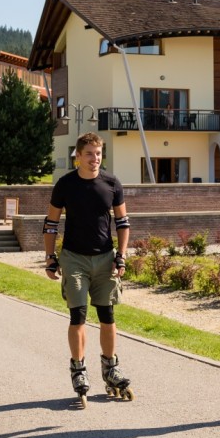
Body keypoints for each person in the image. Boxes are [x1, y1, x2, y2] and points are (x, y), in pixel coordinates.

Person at [43, 132, 132, 406]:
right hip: (74, 259)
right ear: (78, 156)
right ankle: (79, 370)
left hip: (105, 258)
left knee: (107, 315)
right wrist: (50, 257)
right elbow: (50, 223)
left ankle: (110, 368)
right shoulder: (66, 184)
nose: (95, 159)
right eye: (90, 154)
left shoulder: (111, 183)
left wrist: (122, 256)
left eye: (99, 153)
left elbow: (123, 222)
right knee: (78, 316)